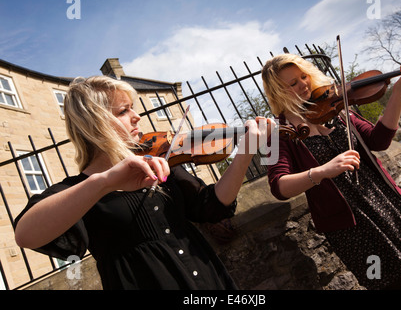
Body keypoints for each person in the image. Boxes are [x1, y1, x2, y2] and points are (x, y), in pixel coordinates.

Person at [14, 76, 275, 290]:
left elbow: (214, 205)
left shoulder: (159, 164)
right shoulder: (78, 190)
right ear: (94, 123)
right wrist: (104, 182)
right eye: (124, 111)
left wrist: (245, 152)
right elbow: (25, 235)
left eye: (133, 107)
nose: (137, 116)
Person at [262, 53, 401, 290]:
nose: (304, 84)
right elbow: (278, 187)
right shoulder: (276, 134)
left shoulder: (336, 108)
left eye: (304, 76)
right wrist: (322, 171)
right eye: (293, 83)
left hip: (390, 204)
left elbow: (379, 139)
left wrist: (400, 89)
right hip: (352, 230)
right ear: (278, 92)